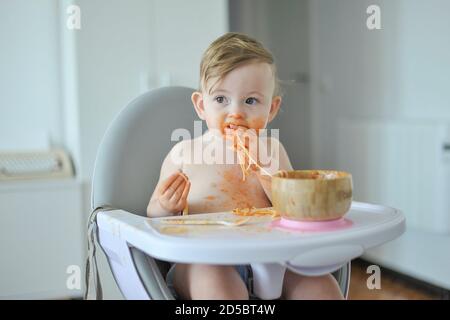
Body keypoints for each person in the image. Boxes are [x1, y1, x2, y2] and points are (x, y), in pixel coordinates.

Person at [146, 32, 343, 300]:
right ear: (201, 105)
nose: (235, 112)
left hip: (275, 258)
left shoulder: (273, 151)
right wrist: (165, 207)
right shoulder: (184, 153)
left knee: (320, 287)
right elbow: (154, 219)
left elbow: (295, 211)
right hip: (202, 259)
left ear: (271, 109)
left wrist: (265, 169)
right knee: (217, 287)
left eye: (250, 101)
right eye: (220, 100)